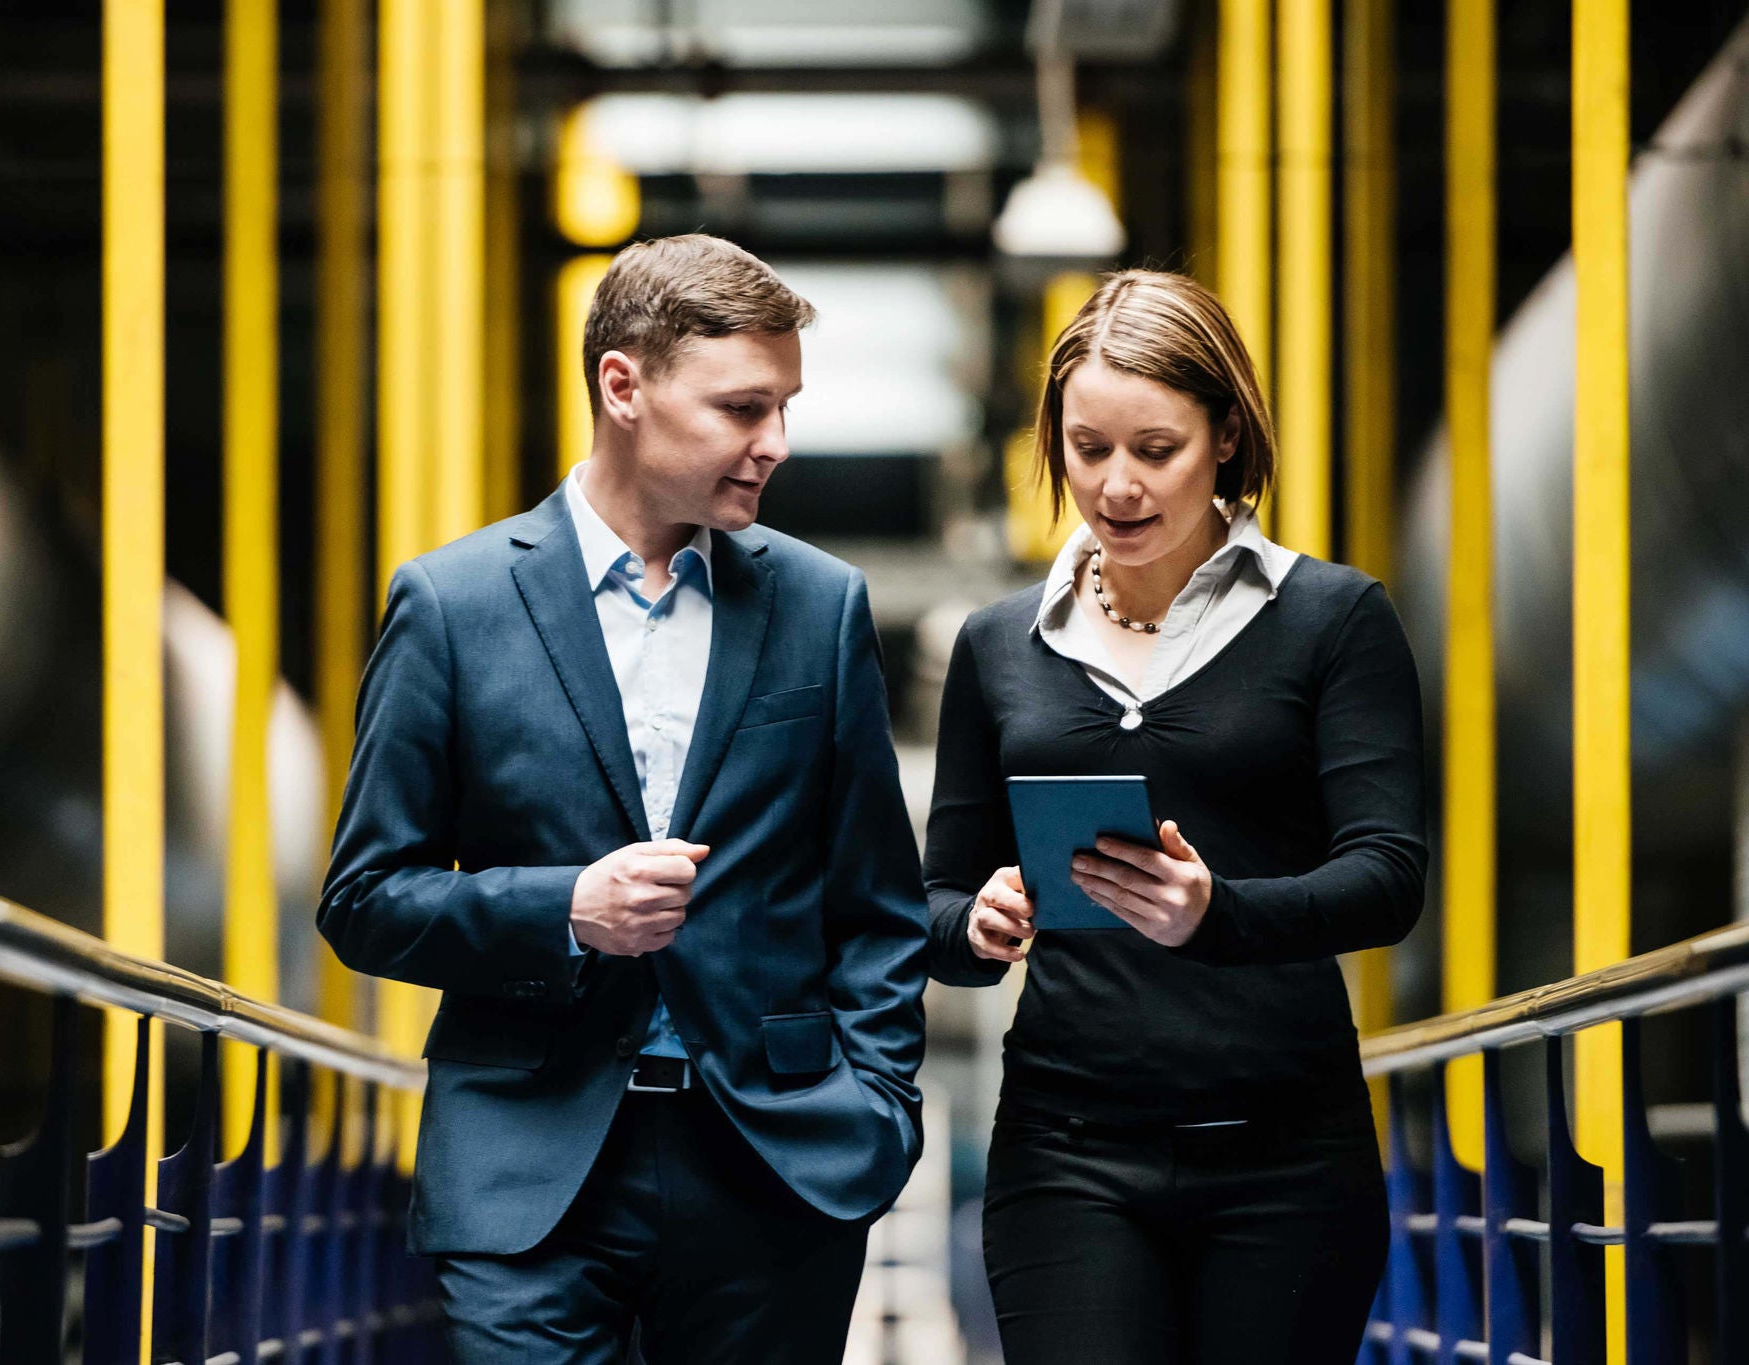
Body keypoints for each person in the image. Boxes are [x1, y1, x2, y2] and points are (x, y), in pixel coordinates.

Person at [319, 234, 930, 1364]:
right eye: (743, 408)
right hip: (526, 1169)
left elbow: (877, 903)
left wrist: (876, 1105)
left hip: (774, 1166)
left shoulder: (817, 606)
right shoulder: (451, 607)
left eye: (784, 407)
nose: (775, 445)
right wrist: (564, 909)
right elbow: (364, 897)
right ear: (623, 387)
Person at [925, 269, 1426, 1364]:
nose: (1115, 485)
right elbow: (931, 895)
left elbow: (1387, 876)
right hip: (1064, 1155)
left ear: (1228, 442)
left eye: (1155, 450)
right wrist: (974, 924)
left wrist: (1215, 913)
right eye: (1086, 446)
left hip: (1285, 1156)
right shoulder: (998, 646)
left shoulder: (1331, 620)